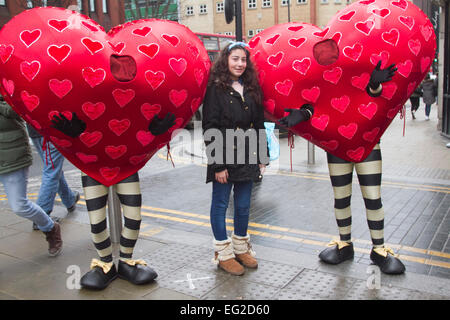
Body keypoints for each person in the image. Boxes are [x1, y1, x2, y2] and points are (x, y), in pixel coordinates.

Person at [280, 59, 405, 275]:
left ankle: (378, 248)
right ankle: (345, 243)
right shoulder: (326, 75)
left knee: (373, 198)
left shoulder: (358, 68)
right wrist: (304, 113)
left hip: (366, 143)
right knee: (341, 197)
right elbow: (317, 102)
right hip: (338, 145)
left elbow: (371, 97)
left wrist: (374, 84)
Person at [51, 108, 175, 290]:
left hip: (125, 161)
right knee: (96, 221)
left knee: (134, 217)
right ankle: (105, 263)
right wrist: (73, 135)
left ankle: (125, 260)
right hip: (92, 163)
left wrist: (153, 132)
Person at [202, 41, 269, 276]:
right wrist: (218, 165)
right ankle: (223, 253)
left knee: (243, 205)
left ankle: (241, 247)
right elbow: (209, 126)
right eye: (235, 59)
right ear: (226, 60)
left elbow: (259, 122)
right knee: (220, 205)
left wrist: (263, 154)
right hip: (223, 151)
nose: (240, 64)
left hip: (248, 152)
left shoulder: (251, 87)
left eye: (243, 60)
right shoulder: (215, 87)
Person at [0, 95, 62, 256]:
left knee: (19, 205)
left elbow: (17, 110)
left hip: (11, 156)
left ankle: (50, 227)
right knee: (53, 171)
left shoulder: (7, 83)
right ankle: (69, 198)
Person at [26, 124, 80, 230]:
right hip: (51, 131)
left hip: (34, 130)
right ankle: (41, 217)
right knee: (52, 171)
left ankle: (69, 200)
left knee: (54, 169)